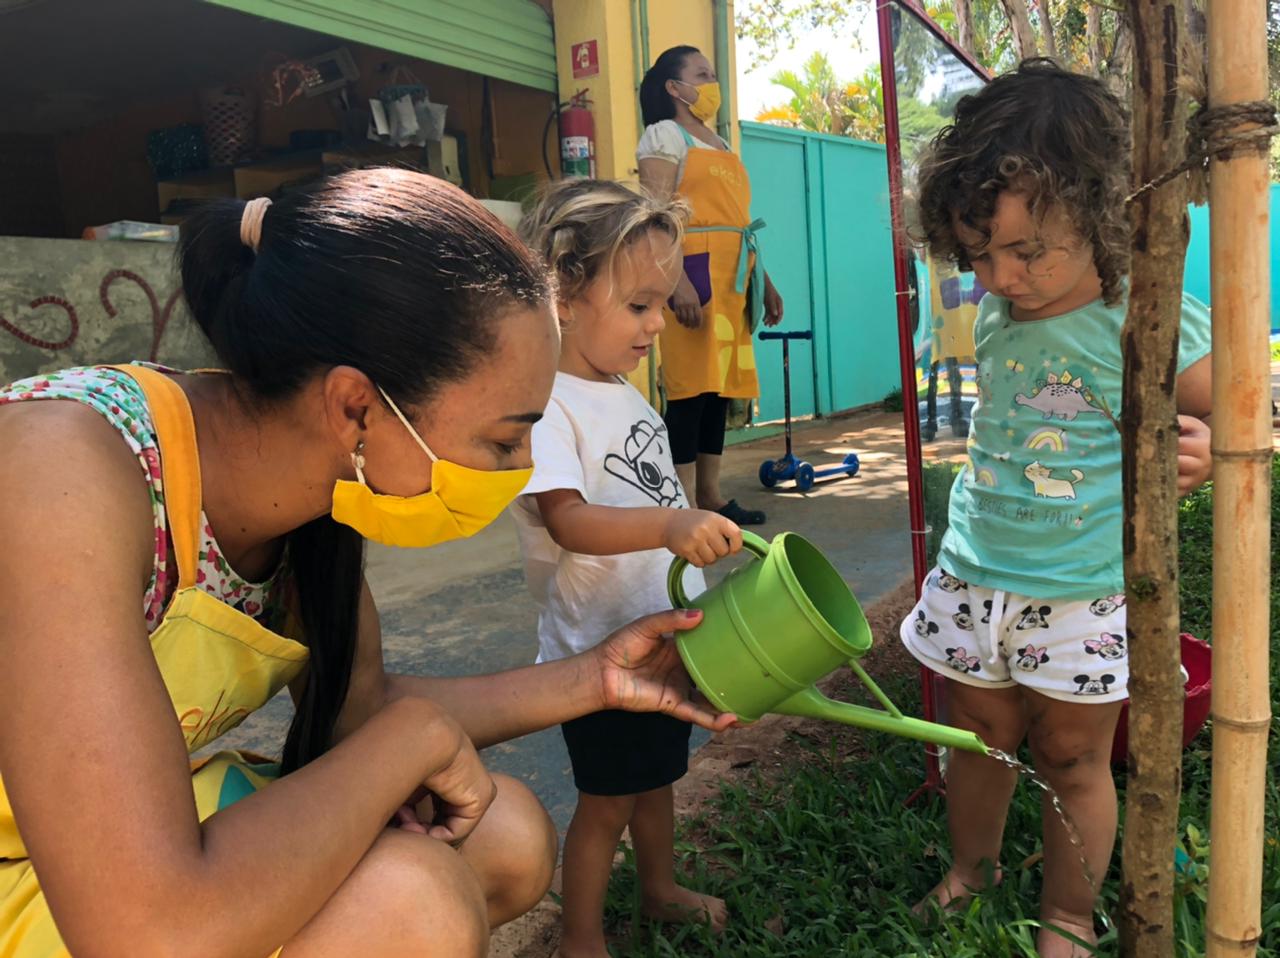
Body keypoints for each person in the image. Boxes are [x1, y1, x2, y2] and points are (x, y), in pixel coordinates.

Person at [0, 169, 736, 958]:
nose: (521, 471)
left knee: (510, 836)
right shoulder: (60, 474)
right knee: (412, 905)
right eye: (502, 439)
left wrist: (601, 680)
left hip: (121, 857)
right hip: (83, 894)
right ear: (357, 407)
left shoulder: (309, 504)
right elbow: (145, 932)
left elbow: (361, 703)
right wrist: (411, 739)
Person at [899, 60, 1213, 957]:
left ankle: (1070, 914)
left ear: (1100, 211)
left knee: (1072, 757)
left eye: (1026, 250)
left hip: (1082, 586)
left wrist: (1199, 448)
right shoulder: (1004, 311)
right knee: (979, 735)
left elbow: (1234, 417)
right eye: (979, 254)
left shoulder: (1144, 313)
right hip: (975, 571)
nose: (999, 277)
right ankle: (974, 870)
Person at [513, 179, 741, 958]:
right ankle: (580, 936)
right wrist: (673, 523)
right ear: (565, 292)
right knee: (605, 805)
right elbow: (569, 520)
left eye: (659, 303)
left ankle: (659, 889)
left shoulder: (620, 391)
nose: (656, 324)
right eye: (639, 305)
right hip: (596, 651)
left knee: (655, 783)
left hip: (656, 634)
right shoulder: (547, 403)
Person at [637, 45, 783, 526]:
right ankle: (679, 502)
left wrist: (766, 283)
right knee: (689, 390)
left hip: (734, 281)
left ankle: (712, 496)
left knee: (720, 391)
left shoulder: (720, 145)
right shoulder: (664, 136)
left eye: (713, 74)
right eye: (702, 74)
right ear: (674, 88)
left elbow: (737, 224)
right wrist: (674, 280)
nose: (712, 82)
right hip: (693, 277)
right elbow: (656, 215)